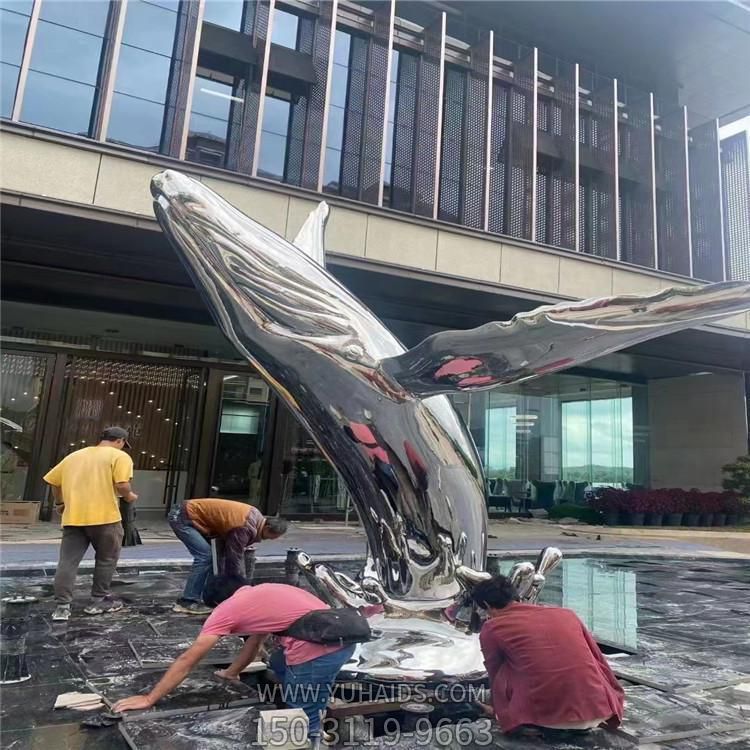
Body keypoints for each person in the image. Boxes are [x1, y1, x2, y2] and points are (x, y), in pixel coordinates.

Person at [113, 579, 356, 744]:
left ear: (217, 604)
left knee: (302, 709)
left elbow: (188, 660)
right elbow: (253, 644)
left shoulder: (226, 610)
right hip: (344, 638)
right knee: (279, 662)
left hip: (320, 650)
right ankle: (313, 696)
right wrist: (231, 673)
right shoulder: (261, 594)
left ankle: (311, 735)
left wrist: (149, 699)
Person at [471, 575, 624, 737]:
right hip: (599, 710)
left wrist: (500, 712)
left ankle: (518, 714)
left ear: (487, 605)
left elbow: (494, 673)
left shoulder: (493, 627)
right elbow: (598, 658)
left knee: (505, 668)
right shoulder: (567, 614)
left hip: (546, 719)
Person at [43, 426, 137, 622]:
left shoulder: (74, 456)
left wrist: (60, 503)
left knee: (67, 562)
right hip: (106, 518)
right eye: (122, 444)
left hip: (73, 518)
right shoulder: (120, 456)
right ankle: (97, 601)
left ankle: (62, 607)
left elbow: (54, 482)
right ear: (120, 441)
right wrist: (129, 496)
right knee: (106, 559)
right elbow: (122, 484)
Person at [168, 498, 288, 614]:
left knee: (216, 557)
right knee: (205, 556)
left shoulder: (255, 518)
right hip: (182, 516)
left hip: (188, 513)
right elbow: (234, 558)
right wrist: (239, 587)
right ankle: (188, 601)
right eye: (271, 537)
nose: (270, 540)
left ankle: (210, 597)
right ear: (267, 528)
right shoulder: (244, 528)